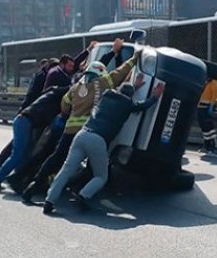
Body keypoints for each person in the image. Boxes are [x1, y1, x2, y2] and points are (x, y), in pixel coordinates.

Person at [21, 50, 138, 203]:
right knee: (95, 164)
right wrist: (134, 59)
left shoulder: (75, 87)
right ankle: (85, 194)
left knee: (56, 158)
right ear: (100, 73)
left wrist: (71, 113)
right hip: (87, 130)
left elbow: (64, 104)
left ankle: (34, 185)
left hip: (69, 130)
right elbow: (119, 73)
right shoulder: (102, 84)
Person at [43, 81, 164, 214]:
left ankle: (49, 201)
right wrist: (155, 96)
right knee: (101, 176)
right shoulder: (127, 104)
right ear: (130, 96)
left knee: (66, 170)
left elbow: (121, 95)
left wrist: (134, 86)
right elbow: (143, 105)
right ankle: (83, 195)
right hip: (98, 140)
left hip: (82, 135)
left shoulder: (106, 95)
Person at [0, 86, 70, 191]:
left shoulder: (49, 96)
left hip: (23, 121)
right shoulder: (52, 103)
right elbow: (50, 122)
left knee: (24, 153)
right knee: (18, 154)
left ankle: (8, 177)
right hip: (25, 123)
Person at [197, 77, 217, 155]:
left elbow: (214, 94)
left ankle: (213, 145)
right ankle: (207, 144)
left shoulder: (213, 81)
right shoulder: (205, 81)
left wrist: (212, 105)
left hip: (206, 107)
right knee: (204, 127)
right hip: (200, 107)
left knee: (209, 127)